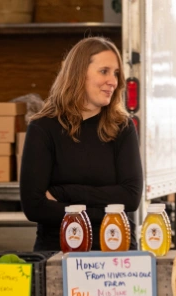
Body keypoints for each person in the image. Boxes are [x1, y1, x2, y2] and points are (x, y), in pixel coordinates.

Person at [20, 36, 143, 251]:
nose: (113, 81)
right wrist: (107, 208)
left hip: (116, 250)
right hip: (57, 253)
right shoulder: (43, 127)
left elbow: (131, 198)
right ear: (79, 73)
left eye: (115, 73)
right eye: (104, 71)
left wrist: (64, 194)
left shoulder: (122, 127)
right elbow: (34, 207)